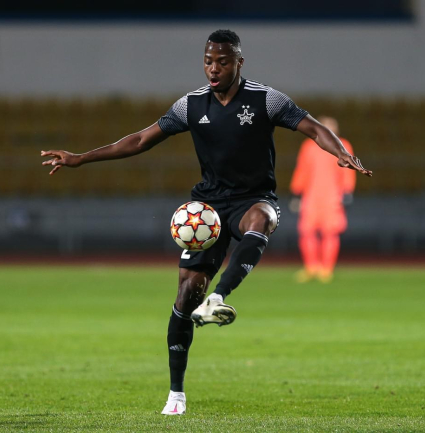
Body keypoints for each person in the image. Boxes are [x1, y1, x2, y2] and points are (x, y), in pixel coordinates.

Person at [41, 29, 372, 416]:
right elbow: (140, 140)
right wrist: (81, 158)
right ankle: (176, 394)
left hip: (253, 198)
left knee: (263, 219)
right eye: (208, 61)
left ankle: (220, 297)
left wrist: (340, 153)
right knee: (186, 296)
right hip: (208, 209)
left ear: (239, 63)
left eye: (223, 62)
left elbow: (314, 128)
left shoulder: (266, 99)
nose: (214, 69)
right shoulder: (190, 105)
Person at [290, 117, 356, 283]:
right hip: (311, 195)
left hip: (332, 196)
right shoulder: (309, 147)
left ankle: (326, 268)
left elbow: (348, 170)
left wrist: (347, 192)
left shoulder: (343, 146)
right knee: (306, 231)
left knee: (330, 232)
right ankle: (311, 267)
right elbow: (302, 170)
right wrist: (297, 193)